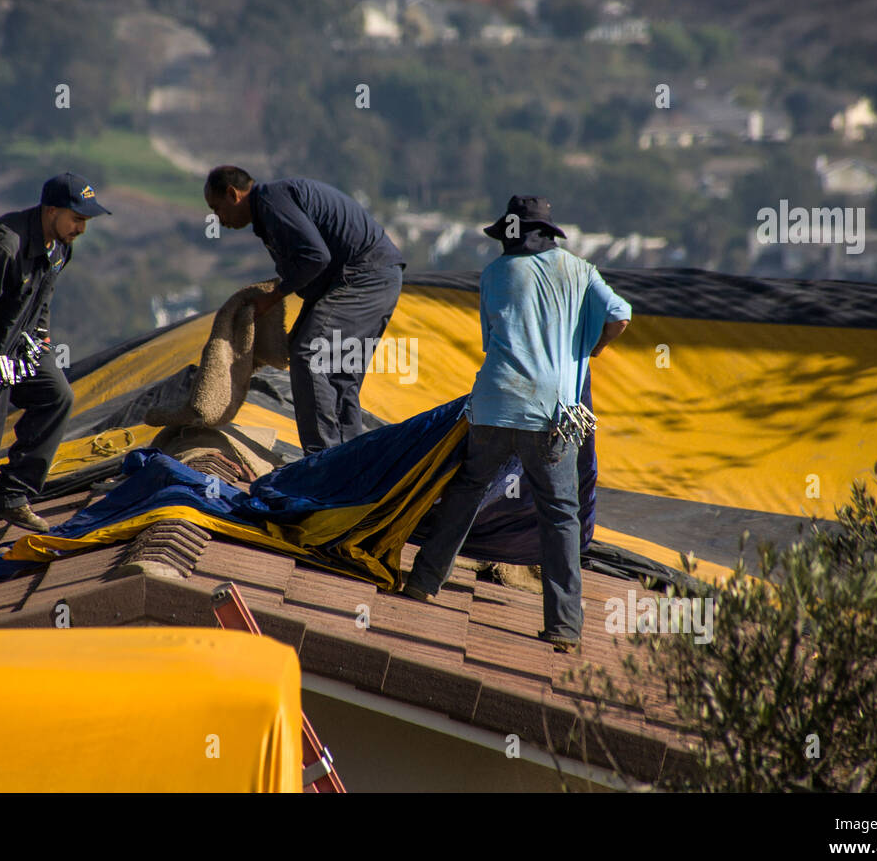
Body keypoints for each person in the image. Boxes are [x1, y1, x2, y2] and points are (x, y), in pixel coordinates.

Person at [402, 195, 631, 653]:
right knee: (560, 514)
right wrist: (590, 351)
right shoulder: (580, 271)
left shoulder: (494, 274)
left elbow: (493, 342)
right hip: (550, 415)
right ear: (548, 235)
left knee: (467, 490)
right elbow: (621, 315)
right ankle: (564, 626)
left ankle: (424, 583)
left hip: (492, 404)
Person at [0, 172, 110, 569]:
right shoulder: (6, 243)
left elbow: (41, 301)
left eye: (85, 220)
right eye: (76, 218)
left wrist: (40, 343)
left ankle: (10, 495)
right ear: (51, 211)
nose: (81, 227)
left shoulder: (61, 247)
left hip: (17, 342)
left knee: (56, 396)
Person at [204, 166, 405, 455]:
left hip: (363, 276)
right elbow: (315, 269)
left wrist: (272, 298)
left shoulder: (272, 201)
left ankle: (322, 460)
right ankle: (350, 459)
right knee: (340, 372)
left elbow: (315, 258)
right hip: (380, 276)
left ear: (233, 194)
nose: (218, 220)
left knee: (310, 352)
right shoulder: (271, 208)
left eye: (216, 208)